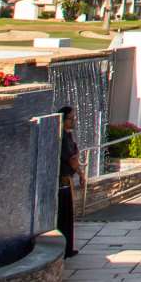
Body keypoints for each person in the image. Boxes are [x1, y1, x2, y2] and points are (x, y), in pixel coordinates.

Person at [56, 106, 83, 258]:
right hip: (63, 180)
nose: (73, 121)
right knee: (64, 217)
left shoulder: (67, 135)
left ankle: (67, 249)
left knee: (67, 217)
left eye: (74, 118)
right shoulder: (63, 137)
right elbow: (72, 159)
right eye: (71, 118)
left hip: (66, 179)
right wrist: (81, 174)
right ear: (63, 119)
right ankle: (66, 250)